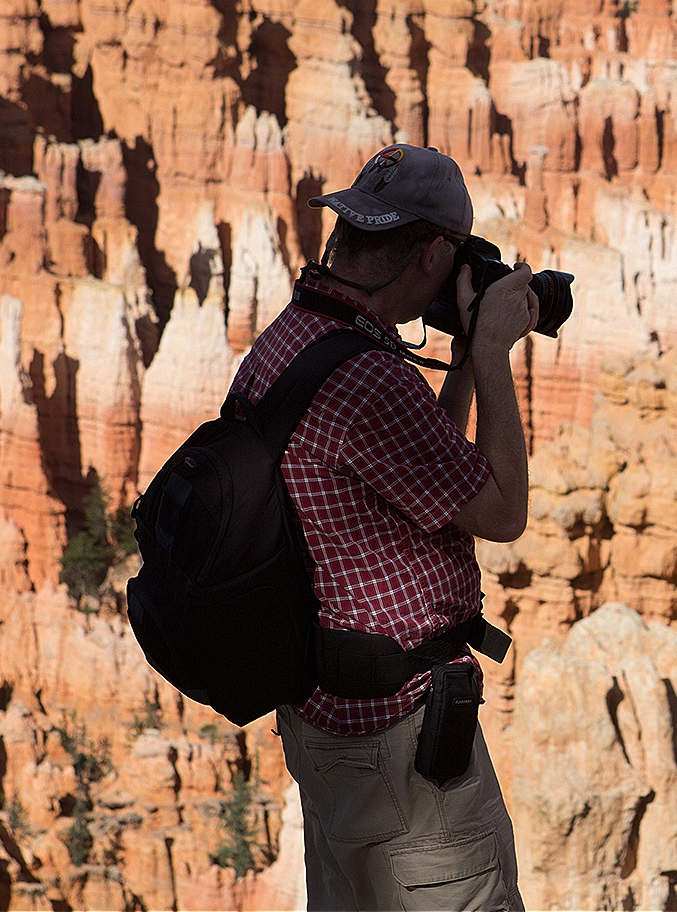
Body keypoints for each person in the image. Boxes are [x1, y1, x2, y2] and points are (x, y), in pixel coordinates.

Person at [228, 144, 535, 911]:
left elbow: (416, 469)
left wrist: (461, 359)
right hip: (403, 754)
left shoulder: (294, 342)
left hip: (328, 726)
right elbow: (501, 512)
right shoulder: (370, 379)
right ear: (435, 252)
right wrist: (493, 350)